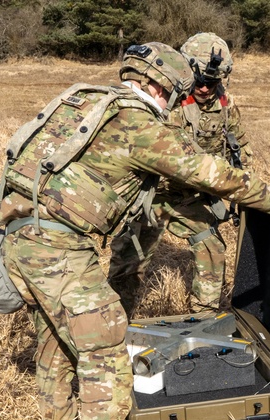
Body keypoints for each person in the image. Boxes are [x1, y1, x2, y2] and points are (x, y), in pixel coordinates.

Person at [0, 42, 270, 420]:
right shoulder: (136, 122)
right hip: (58, 245)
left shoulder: (83, 99)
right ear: (163, 87)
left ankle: (56, 414)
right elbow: (211, 172)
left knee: (54, 326)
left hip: (18, 233)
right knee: (106, 344)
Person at [107, 32, 250, 315]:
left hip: (188, 197)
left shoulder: (225, 106)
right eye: (200, 82)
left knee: (212, 249)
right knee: (128, 259)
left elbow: (240, 147)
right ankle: (115, 320)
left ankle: (204, 320)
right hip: (150, 195)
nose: (206, 89)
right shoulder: (161, 98)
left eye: (213, 82)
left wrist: (242, 183)